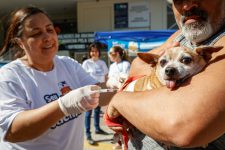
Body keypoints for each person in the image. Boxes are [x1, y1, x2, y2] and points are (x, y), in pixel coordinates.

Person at [106, 0, 225, 149]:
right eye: (178, 0)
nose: (187, 6)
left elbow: (182, 129)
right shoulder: (183, 33)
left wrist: (120, 101)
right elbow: (138, 64)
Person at [0, 6, 114, 150]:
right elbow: (13, 131)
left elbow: (99, 93)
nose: (47, 37)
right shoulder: (9, 75)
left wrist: (118, 85)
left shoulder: (68, 64)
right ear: (20, 43)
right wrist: (63, 106)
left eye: (50, 30)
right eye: (36, 33)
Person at [82, 42, 109, 145]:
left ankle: (98, 129)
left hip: (100, 90)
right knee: (88, 113)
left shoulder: (102, 63)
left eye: (96, 51)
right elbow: (82, 77)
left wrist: (105, 87)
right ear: (90, 52)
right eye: (92, 51)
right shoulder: (86, 63)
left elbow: (106, 76)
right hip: (89, 91)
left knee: (97, 111)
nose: (94, 53)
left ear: (99, 52)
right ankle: (88, 134)